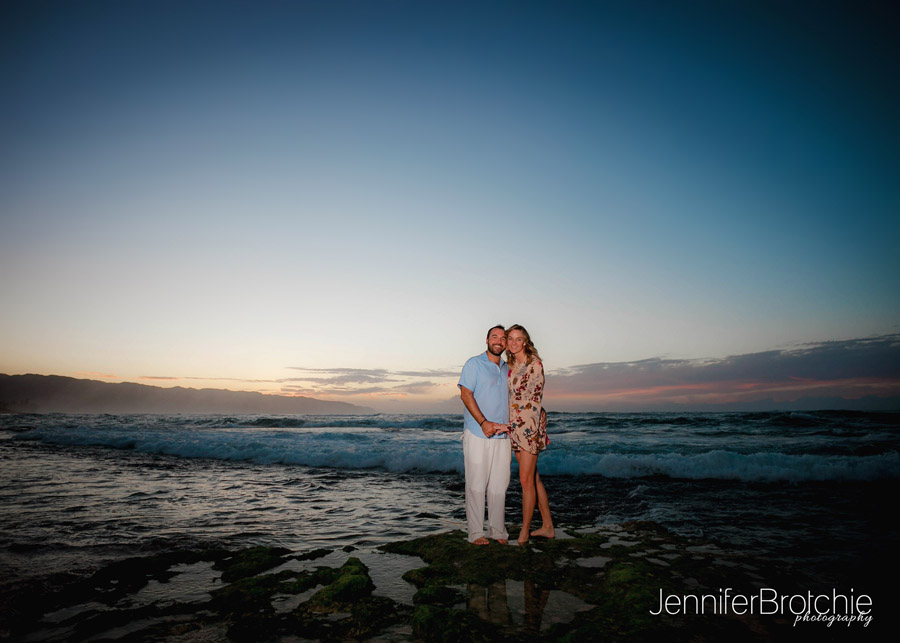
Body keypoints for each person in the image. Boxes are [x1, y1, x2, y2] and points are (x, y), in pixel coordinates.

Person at [458, 325, 512, 545]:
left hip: (504, 435)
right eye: (494, 337)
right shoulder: (474, 364)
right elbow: (465, 394)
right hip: (478, 432)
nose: (498, 341)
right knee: (476, 484)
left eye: (503, 338)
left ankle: (497, 531)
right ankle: (475, 533)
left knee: (500, 485)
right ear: (487, 340)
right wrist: (483, 422)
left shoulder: (508, 368)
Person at [505, 324, 554, 545]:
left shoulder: (535, 364)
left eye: (518, 339)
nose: (514, 343)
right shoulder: (511, 366)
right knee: (533, 477)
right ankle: (547, 526)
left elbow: (534, 399)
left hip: (529, 427)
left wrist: (536, 419)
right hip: (514, 427)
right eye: (510, 339)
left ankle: (524, 531)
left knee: (525, 480)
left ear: (525, 341)